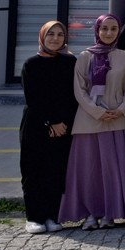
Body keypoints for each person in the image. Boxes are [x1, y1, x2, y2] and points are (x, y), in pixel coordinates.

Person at [59, 14, 125, 229]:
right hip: (89, 121)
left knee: (112, 170)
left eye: (113, 29)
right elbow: (79, 89)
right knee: (89, 172)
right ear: (97, 31)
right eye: (104, 29)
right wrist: (97, 112)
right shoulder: (85, 56)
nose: (109, 33)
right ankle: (90, 213)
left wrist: (121, 110)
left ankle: (111, 213)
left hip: (116, 121)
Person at [19, 20, 78, 234]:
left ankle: (53, 215)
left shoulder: (69, 63)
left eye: (60, 34)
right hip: (36, 126)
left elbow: (73, 97)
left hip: (63, 126)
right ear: (42, 36)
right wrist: (49, 123)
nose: (55, 38)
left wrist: (63, 123)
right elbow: (33, 99)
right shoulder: (30, 64)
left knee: (56, 170)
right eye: (50, 34)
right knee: (34, 170)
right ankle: (34, 217)